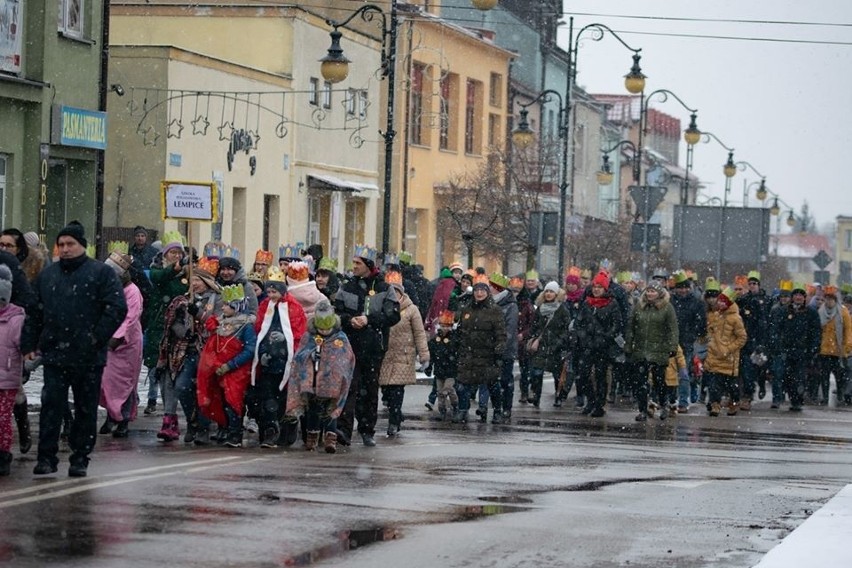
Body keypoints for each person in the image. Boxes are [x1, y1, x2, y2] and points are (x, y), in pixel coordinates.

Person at [23, 221, 127, 477]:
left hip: (88, 357)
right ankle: (46, 458)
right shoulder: (48, 275)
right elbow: (35, 311)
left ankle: (80, 457)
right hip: (55, 353)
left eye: (70, 244)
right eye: (61, 245)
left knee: (85, 408)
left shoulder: (101, 273)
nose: (65, 249)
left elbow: (116, 308)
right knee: (51, 407)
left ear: (82, 245)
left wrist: (96, 338)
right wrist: (30, 342)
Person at [333, 246, 400, 446]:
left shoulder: (384, 288)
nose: (353, 267)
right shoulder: (346, 287)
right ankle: (343, 430)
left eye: (358, 263)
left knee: (369, 390)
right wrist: (349, 320)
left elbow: (393, 315)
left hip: (373, 347)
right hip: (349, 346)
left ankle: (366, 429)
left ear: (368, 266)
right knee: (348, 388)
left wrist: (369, 320)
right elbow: (337, 312)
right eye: (353, 263)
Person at [157, 266, 220, 444]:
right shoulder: (181, 301)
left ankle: (203, 427)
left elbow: (218, 323)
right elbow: (172, 323)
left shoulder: (218, 300)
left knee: (205, 390)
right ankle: (192, 421)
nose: (194, 284)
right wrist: (184, 332)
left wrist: (198, 313)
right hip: (186, 351)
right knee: (182, 387)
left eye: (198, 280)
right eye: (192, 281)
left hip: (208, 352)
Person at [286, 299, 355, 453]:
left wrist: (332, 363)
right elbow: (300, 356)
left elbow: (346, 358)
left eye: (328, 328)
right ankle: (312, 438)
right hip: (313, 384)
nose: (324, 331)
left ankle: (330, 439)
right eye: (321, 329)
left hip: (332, 384)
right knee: (313, 411)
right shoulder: (309, 337)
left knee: (331, 411)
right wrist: (311, 357)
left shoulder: (340, 338)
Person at [197, 284, 257, 447]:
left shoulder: (246, 326)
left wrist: (230, 365)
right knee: (221, 399)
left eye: (226, 304)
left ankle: (235, 433)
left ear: (236, 307)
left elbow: (250, 349)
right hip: (220, 368)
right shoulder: (220, 324)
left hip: (237, 370)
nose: (222, 307)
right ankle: (224, 428)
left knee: (234, 401)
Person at [251, 270, 306, 448]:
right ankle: (269, 430)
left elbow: (298, 334)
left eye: (274, 292)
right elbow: (260, 330)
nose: (271, 296)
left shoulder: (294, 307)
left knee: (284, 398)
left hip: (287, 361)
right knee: (267, 396)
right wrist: (264, 352)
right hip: (269, 362)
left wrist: (284, 339)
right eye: (269, 292)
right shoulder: (265, 306)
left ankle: (286, 429)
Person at [142, 231, 188, 416]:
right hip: (159, 328)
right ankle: (165, 410)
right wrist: (174, 269)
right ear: (165, 254)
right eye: (172, 252)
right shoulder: (156, 271)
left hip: (179, 330)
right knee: (159, 372)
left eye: (179, 253)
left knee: (177, 375)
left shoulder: (187, 275)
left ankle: (174, 414)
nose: (176, 256)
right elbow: (159, 278)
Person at [98, 252, 144, 438]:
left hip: (127, 343)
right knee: (106, 381)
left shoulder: (133, 291)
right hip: (109, 342)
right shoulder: (108, 289)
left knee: (125, 383)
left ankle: (123, 419)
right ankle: (111, 415)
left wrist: (117, 336)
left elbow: (130, 317)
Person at [378, 272, 429, 437]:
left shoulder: (411, 310)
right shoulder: (382, 307)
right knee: (386, 389)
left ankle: (393, 420)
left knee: (396, 390)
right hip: (385, 355)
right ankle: (397, 414)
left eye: (396, 291)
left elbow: (419, 333)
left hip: (403, 356)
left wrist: (424, 355)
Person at [624, 279, 679, 421]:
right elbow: (631, 326)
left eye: (653, 291)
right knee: (641, 382)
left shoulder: (667, 308)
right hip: (641, 350)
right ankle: (642, 409)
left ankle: (663, 405)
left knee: (659, 381)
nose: (650, 293)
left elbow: (673, 329)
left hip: (659, 350)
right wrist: (629, 344)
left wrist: (672, 347)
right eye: (648, 291)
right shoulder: (639, 307)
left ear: (659, 293)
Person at [455, 275, 506, 424]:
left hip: (487, 354)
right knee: (463, 384)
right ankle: (463, 410)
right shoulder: (466, 309)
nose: (479, 293)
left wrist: (499, 349)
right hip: (469, 353)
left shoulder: (495, 310)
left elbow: (501, 333)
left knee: (492, 384)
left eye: (482, 290)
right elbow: (461, 330)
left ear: (487, 292)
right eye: (477, 290)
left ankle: (497, 411)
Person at [574, 271, 623, 418]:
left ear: (605, 289)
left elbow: (617, 325)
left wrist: (605, 338)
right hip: (587, 345)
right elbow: (579, 323)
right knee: (582, 375)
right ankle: (591, 400)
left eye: (599, 287)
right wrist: (583, 337)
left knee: (601, 376)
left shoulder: (612, 304)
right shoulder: (587, 303)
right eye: (595, 287)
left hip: (603, 347)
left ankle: (599, 405)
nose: (596, 290)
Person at [701, 286, 748, 416]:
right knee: (714, 384)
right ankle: (715, 404)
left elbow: (742, 337)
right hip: (714, 356)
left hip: (729, 358)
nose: (720, 303)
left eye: (723, 301)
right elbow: (710, 331)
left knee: (732, 386)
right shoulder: (716, 315)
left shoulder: (735, 318)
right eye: (719, 300)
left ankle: (733, 403)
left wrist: (728, 349)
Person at [669, 270, 707, 413]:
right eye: (680, 287)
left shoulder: (697, 303)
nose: (683, 290)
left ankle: (683, 401)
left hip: (688, 343)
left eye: (685, 287)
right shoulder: (671, 302)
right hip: (672, 342)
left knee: (684, 373)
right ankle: (672, 399)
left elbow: (702, 326)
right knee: (671, 373)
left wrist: (695, 338)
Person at [0, 265, 25, 476]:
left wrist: (30, 360)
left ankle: (3, 454)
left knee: (2, 418)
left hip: (7, 379)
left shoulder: (17, 319)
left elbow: (24, 347)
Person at [525, 281, 564, 408]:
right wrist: (533, 337)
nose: (548, 294)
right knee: (537, 373)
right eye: (547, 291)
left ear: (556, 294)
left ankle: (558, 396)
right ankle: (536, 396)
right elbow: (534, 325)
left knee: (557, 374)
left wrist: (560, 342)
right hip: (541, 345)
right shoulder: (540, 308)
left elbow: (566, 329)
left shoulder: (562, 309)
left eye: (551, 291)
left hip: (555, 347)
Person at [736, 270, 769, 410]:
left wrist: (763, 342)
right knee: (745, 371)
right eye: (750, 284)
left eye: (754, 284)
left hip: (760, 341)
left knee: (759, 370)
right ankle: (746, 396)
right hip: (746, 341)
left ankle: (759, 386)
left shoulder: (766, 300)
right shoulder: (744, 300)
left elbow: (767, 321)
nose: (752, 286)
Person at [814, 285, 852, 405]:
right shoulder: (820, 312)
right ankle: (825, 397)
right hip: (824, 351)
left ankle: (840, 394)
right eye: (827, 298)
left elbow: (848, 331)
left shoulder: (843, 312)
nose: (829, 301)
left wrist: (847, 347)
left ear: (835, 300)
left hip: (838, 351)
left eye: (831, 299)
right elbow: (816, 331)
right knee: (824, 376)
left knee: (839, 376)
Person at [425, 310, 460, 421]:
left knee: (447, 390)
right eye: (443, 326)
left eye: (448, 326)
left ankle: (455, 406)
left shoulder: (455, 339)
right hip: (439, 370)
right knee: (440, 392)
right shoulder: (435, 340)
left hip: (451, 371)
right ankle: (442, 411)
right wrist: (429, 366)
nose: (445, 328)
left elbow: (458, 353)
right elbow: (432, 355)